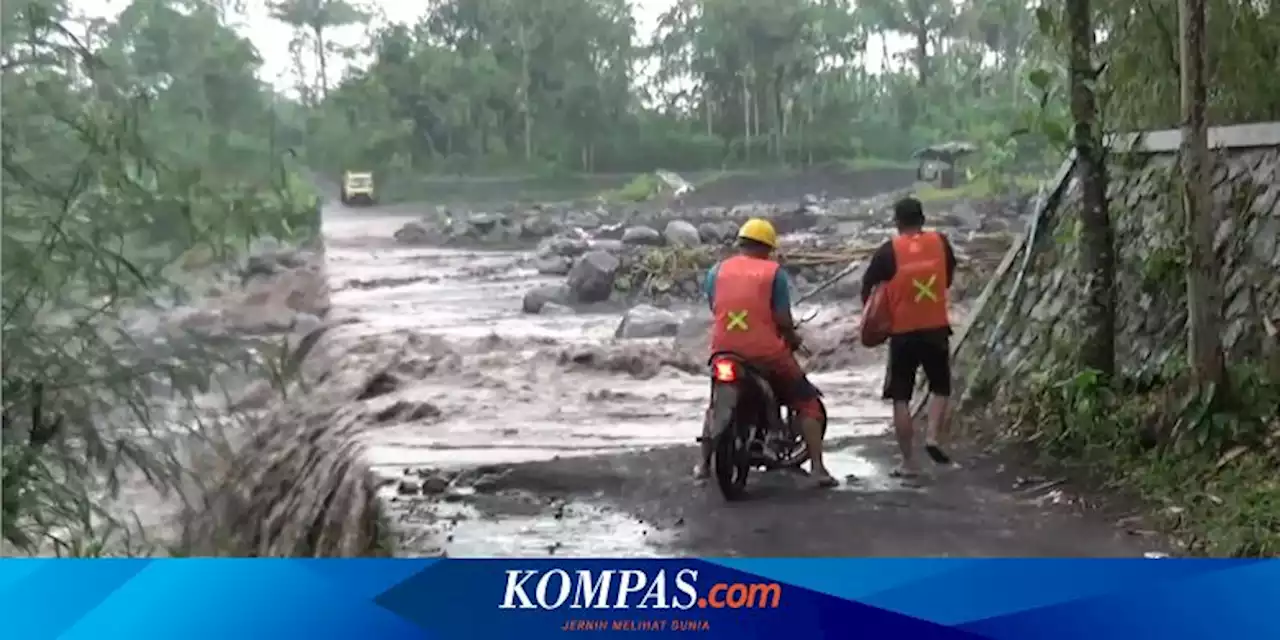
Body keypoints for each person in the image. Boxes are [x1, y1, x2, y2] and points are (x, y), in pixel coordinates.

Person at [694, 218, 837, 488]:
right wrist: (793, 338)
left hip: (724, 349)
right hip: (765, 353)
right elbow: (782, 319)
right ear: (768, 247)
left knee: (716, 404)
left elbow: (716, 307)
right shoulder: (774, 273)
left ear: (741, 243)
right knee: (807, 402)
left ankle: (702, 466)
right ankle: (818, 468)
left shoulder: (717, 271)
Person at [860, 197, 958, 478]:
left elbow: (868, 289)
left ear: (897, 222)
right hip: (936, 327)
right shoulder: (941, 243)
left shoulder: (888, 251)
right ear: (923, 219)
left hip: (902, 333)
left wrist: (877, 318)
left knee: (901, 397)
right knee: (941, 388)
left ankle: (909, 464)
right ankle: (933, 438)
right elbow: (947, 278)